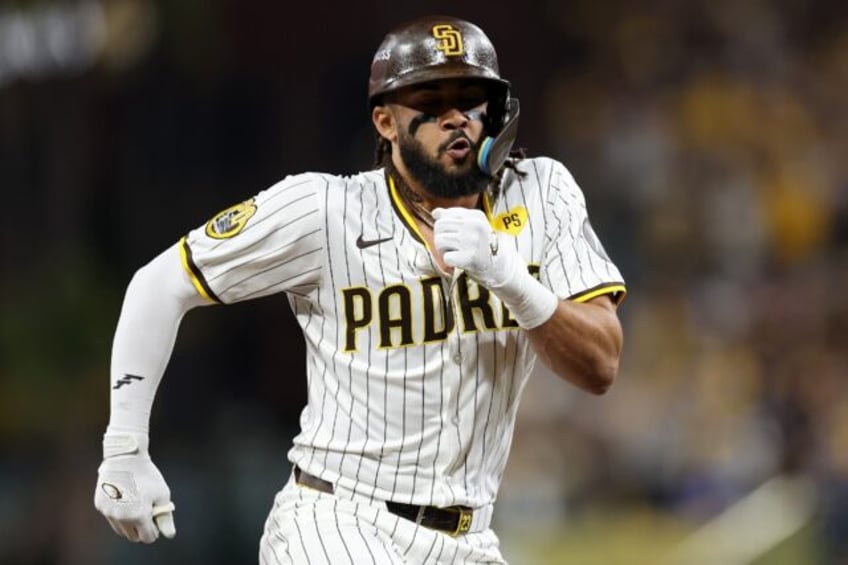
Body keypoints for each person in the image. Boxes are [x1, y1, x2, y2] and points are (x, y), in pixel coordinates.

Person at [94, 15, 626, 564]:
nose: (455, 117)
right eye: (429, 99)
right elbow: (160, 282)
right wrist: (124, 447)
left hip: (471, 539)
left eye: (471, 97)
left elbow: (601, 363)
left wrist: (512, 278)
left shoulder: (541, 192)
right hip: (339, 520)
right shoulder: (327, 210)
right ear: (386, 121)